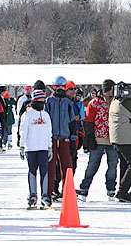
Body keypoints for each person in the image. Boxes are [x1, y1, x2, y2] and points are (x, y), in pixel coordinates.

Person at [76, 79, 119, 201]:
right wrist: (89, 139)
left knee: (113, 166)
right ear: (105, 90)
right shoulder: (95, 103)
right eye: (111, 89)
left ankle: (111, 189)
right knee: (92, 165)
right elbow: (88, 121)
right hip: (98, 139)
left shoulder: (117, 102)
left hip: (113, 139)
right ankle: (84, 188)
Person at [44, 76, 76, 207]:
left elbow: (72, 121)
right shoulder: (49, 101)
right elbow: (45, 120)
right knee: (51, 166)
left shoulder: (68, 103)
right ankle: (48, 193)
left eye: (63, 88)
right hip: (52, 137)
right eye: (59, 87)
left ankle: (67, 191)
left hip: (64, 137)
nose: (61, 90)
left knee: (67, 165)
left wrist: (73, 139)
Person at [19, 90, 52, 208]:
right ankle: (33, 194)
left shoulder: (46, 115)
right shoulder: (27, 114)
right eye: (41, 101)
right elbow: (23, 131)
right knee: (32, 170)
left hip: (43, 147)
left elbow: (49, 132)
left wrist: (49, 147)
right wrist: (22, 145)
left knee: (44, 171)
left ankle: (44, 195)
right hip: (31, 148)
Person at [17, 80, 47, 147]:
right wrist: (20, 139)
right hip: (31, 138)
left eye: (43, 91)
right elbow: (22, 120)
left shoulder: (46, 102)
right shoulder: (27, 103)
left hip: (42, 138)